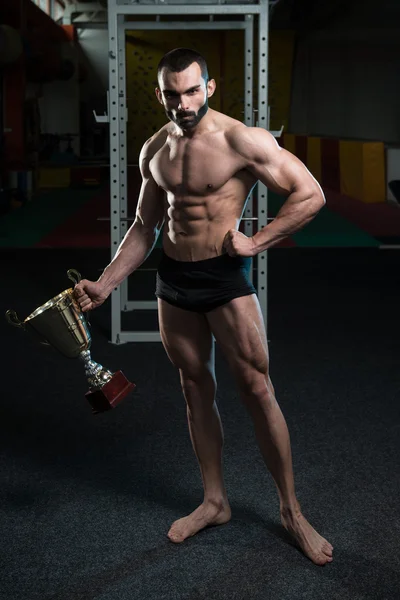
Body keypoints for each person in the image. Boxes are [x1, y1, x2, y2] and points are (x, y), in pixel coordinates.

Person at [74, 48, 333, 566]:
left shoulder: (243, 140)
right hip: (174, 281)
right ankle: (215, 501)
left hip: (224, 278)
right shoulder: (154, 149)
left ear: (209, 89)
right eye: (173, 94)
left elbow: (311, 194)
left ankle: (291, 511)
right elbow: (144, 227)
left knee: (257, 388)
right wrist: (105, 284)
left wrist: (256, 242)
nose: (183, 103)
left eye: (192, 91)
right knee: (194, 387)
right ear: (160, 95)